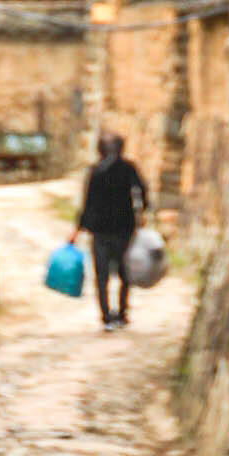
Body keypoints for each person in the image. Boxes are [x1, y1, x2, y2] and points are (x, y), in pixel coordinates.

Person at [73, 128, 149, 327]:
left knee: (102, 276)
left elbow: (87, 202)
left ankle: (106, 316)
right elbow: (142, 189)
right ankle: (122, 313)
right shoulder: (129, 168)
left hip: (100, 231)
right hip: (125, 228)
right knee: (125, 273)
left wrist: (78, 228)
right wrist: (142, 212)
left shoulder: (95, 171)